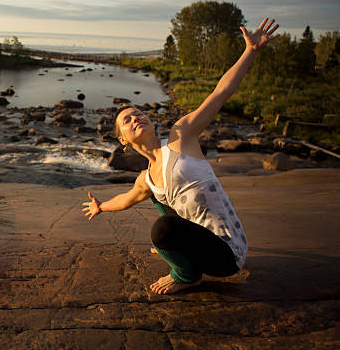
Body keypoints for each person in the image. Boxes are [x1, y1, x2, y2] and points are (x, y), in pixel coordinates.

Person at [82, 18, 280, 294]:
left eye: (139, 113)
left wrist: (250, 51)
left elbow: (221, 92)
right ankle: (178, 249)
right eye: (127, 119)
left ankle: (187, 275)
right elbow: (125, 200)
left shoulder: (181, 136)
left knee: (162, 228)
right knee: (158, 198)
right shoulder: (146, 179)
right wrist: (101, 207)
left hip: (226, 254)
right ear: (123, 139)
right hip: (200, 241)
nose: (136, 116)